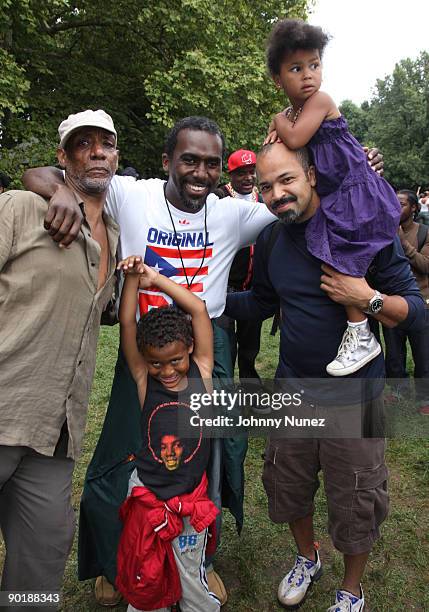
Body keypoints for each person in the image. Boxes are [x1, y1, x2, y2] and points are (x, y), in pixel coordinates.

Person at [23, 116, 382, 607]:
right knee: (122, 456)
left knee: (211, 457)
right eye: (189, 160)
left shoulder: (235, 213)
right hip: (145, 343)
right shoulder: (134, 193)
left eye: (212, 163)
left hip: (207, 346)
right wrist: (59, 191)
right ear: (167, 161)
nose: (201, 172)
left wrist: (350, 171)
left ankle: (199, 558)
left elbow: (301, 205)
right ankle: (113, 560)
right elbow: (44, 172)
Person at [225, 141, 425, 611]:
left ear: (312, 175)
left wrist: (366, 296)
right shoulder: (273, 237)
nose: (276, 194)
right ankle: (307, 556)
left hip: (354, 400)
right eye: (267, 186)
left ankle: (351, 589)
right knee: (287, 485)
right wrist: (201, 297)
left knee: (357, 499)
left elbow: (414, 312)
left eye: (286, 180)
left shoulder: (364, 229)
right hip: (293, 391)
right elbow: (261, 302)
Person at [0, 109, 119, 608]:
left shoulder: (116, 231)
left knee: (43, 558)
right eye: (82, 144)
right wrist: (53, 189)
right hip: (6, 405)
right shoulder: (20, 207)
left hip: (56, 430)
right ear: (63, 156)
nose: (96, 152)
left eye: (106, 143)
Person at [265, 18, 401, 378]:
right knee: (329, 249)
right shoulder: (295, 115)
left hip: (354, 194)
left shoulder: (318, 101)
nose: (308, 74)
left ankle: (360, 333)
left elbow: (293, 140)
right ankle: (357, 331)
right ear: (278, 79)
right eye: (296, 68)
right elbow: (288, 153)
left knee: (342, 256)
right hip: (338, 195)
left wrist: (278, 120)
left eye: (314, 64)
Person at [115, 255, 220, 612]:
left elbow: (200, 311)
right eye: (156, 362)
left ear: (190, 347)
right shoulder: (146, 380)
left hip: (189, 503)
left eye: (175, 359)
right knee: (145, 572)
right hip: (147, 499)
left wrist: (156, 279)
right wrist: (132, 278)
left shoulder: (202, 373)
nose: (167, 370)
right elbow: (128, 322)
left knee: (190, 578)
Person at [216, 149, 264, 388]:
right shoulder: (218, 197)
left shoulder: (264, 198)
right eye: (241, 173)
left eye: (251, 171)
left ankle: (250, 388)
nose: (248, 177)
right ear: (230, 175)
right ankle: (224, 392)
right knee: (224, 345)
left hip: (253, 289)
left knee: (250, 346)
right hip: (224, 288)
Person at [383, 189, 429, 415]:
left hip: (421, 303)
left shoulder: (423, 233)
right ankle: (398, 389)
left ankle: (424, 397)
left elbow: (425, 265)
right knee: (393, 352)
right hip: (391, 302)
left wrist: (402, 242)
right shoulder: (383, 231)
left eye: (401, 204)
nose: (395, 207)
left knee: (423, 353)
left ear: (413, 208)